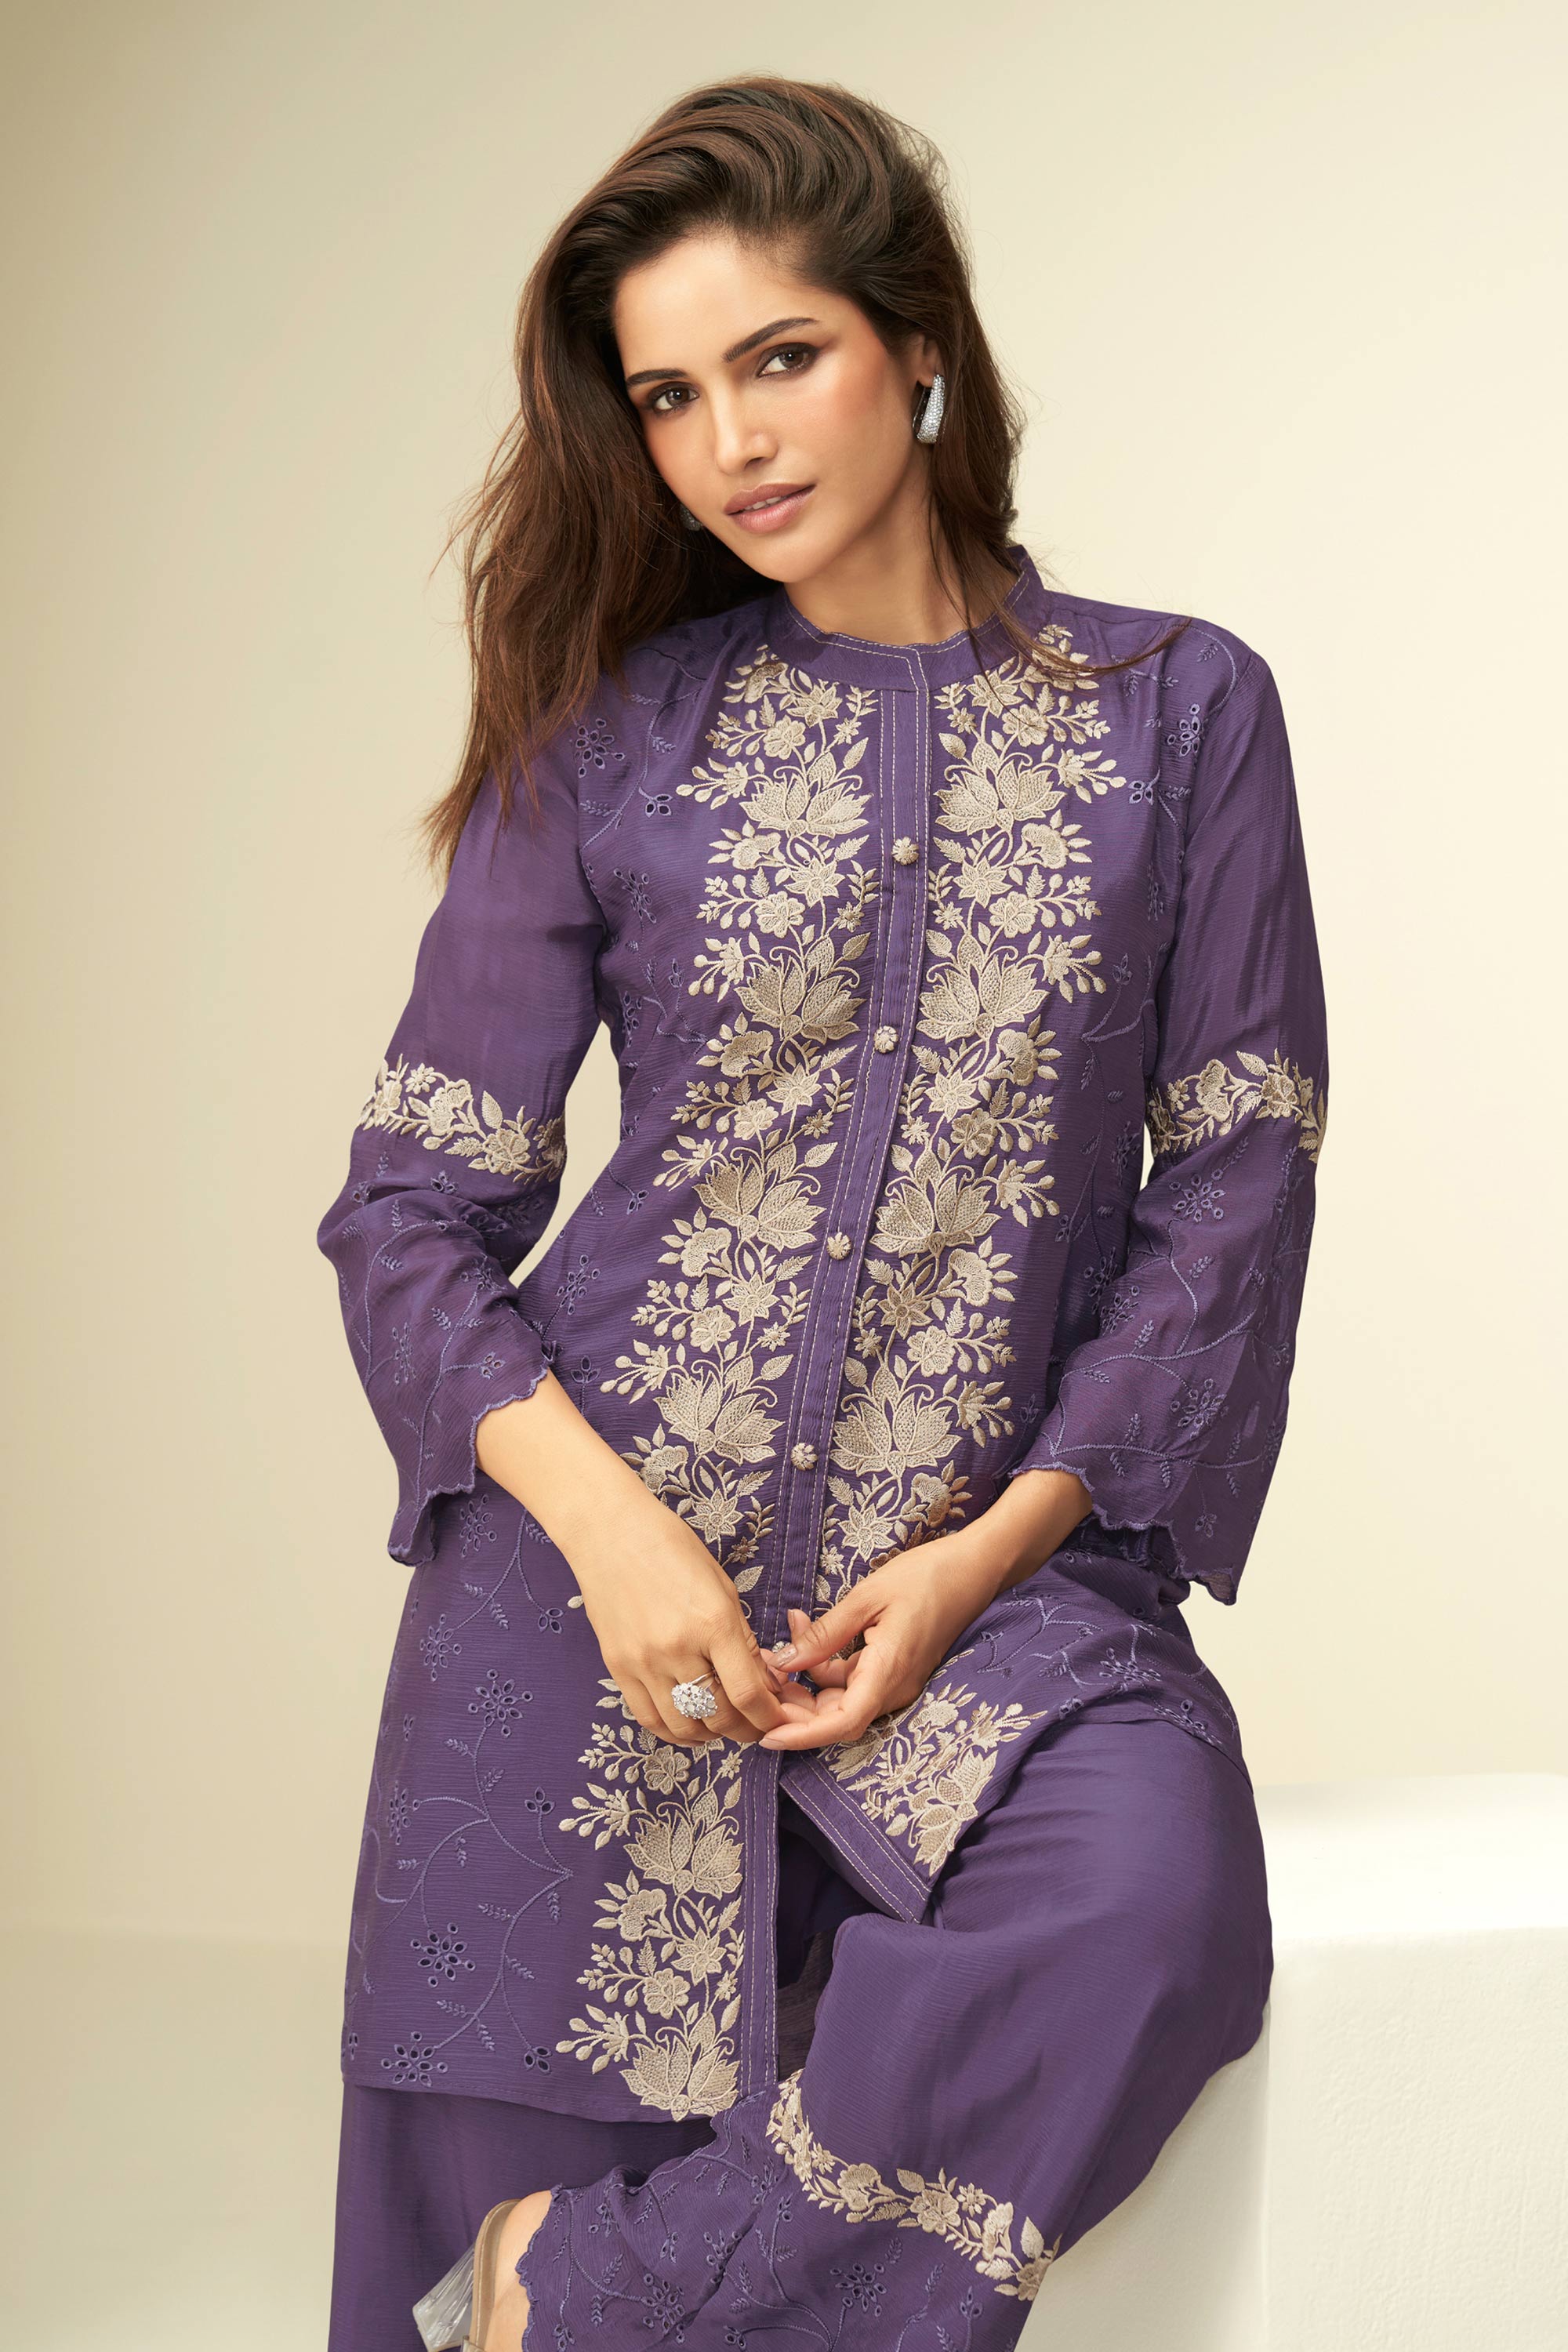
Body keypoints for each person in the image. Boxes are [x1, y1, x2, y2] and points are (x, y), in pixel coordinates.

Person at [315, 73, 1327, 2352]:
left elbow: (1235, 1186)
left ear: (918, 347)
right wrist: (614, 1539)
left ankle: (566, 2298)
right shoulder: (610, 737)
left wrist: (988, 1556)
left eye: (780, 358)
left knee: (1147, 1919)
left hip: (998, 1597)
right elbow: (409, 1213)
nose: (730, 442)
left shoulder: (1181, 714)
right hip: (599, 1619)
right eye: (670, 396)